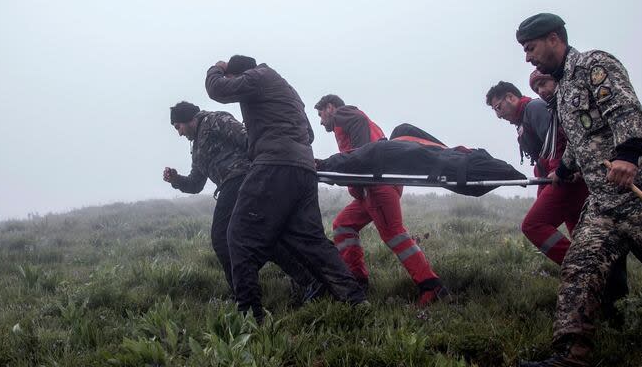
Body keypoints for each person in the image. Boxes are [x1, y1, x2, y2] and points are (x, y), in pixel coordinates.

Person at [515, 12, 642, 367]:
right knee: (580, 266)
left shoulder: (594, 65)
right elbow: (581, 138)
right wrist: (563, 170)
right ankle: (572, 357)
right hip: (605, 204)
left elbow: (625, 111)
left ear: (554, 38)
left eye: (531, 48)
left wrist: (628, 155)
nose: (528, 58)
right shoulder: (561, 91)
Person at [205, 55, 368, 321]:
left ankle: (249, 315)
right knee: (312, 240)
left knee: (237, 235)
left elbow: (218, 90)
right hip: (302, 170)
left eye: (235, 79)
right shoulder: (286, 90)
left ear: (240, 74)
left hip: (274, 166)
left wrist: (217, 68)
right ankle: (356, 299)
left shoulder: (257, 77)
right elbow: (310, 134)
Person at [162, 101, 322, 302]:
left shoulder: (215, 120)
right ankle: (309, 281)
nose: (179, 133)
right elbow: (195, 184)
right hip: (232, 185)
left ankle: (242, 295)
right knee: (262, 238)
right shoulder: (197, 148)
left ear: (188, 118)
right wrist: (176, 180)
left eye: (178, 127)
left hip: (243, 179)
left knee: (221, 238)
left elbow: (248, 139)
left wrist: (268, 170)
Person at [314, 95, 450, 306]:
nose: (321, 121)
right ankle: (357, 280)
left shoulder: (345, 115)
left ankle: (431, 286)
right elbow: (357, 156)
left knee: (394, 235)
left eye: (320, 114)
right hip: (371, 189)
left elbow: (360, 155)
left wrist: (332, 164)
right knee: (343, 226)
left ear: (330, 108)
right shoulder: (346, 125)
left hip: (378, 187)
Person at [485, 80, 589, 264]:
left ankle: (579, 266)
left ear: (511, 97)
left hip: (567, 178)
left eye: (498, 107)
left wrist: (559, 169)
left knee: (532, 225)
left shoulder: (534, 108)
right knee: (582, 236)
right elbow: (542, 156)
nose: (498, 115)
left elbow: (557, 137)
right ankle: (604, 280)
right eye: (495, 110)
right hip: (561, 178)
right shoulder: (522, 120)